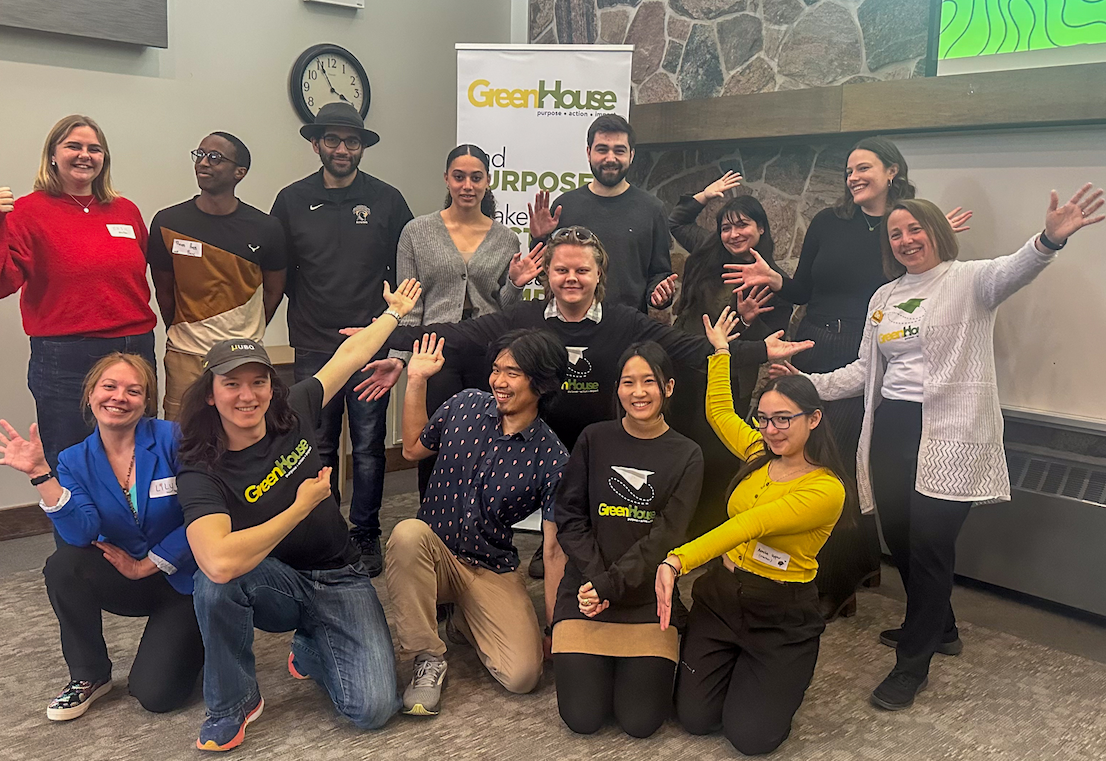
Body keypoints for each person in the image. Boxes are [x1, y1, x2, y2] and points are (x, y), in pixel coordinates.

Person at [379, 227, 813, 655]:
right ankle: (526, 610)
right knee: (554, 538)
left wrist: (756, 351)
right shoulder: (524, 317)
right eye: (561, 269)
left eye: (582, 270)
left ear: (598, 274)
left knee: (602, 532)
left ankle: (615, 602)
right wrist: (383, 334)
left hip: (599, 448)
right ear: (546, 273)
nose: (571, 278)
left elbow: (683, 346)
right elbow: (457, 335)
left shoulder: (623, 320)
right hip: (540, 447)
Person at [775, 184, 1106, 711]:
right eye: (896, 233)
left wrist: (1049, 239)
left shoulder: (969, 281)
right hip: (891, 430)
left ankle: (913, 662)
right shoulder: (883, 298)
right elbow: (866, 369)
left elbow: (1018, 267)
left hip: (948, 433)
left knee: (931, 546)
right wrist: (807, 384)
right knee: (903, 540)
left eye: (915, 228)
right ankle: (942, 627)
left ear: (937, 231)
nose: (906, 239)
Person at [723, 137, 972, 621]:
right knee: (807, 459)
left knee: (843, 473)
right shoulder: (827, 222)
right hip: (815, 346)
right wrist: (776, 281)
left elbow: (930, 283)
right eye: (849, 170)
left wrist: (936, 238)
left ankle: (841, 582)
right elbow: (804, 290)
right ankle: (828, 576)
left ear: (892, 171)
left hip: (872, 360)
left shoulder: (905, 228)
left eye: (864, 168)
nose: (853, 176)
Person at [178, 279, 422, 752]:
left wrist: (393, 315)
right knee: (214, 584)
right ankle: (233, 703)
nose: (247, 396)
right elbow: (219, 562)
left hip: (341, 575)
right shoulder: (201, 466)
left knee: (372, 710)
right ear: (210, 394)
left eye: (259, 381)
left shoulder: (294, 409)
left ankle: (311, 645)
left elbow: (349, 357)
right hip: (275, 581)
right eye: (231, 384)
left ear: (273, 385)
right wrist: (299, 508)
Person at [655, 308, 846, 755]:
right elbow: (720, 411)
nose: (771, 429)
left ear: (813, 419)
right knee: (695, 720)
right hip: (722, 599)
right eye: (764, 418)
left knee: (751, 739)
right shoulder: (760, 450)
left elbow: (750, 525)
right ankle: (732, 664)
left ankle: (771, 672)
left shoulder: (825, 489)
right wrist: (721, 352)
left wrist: (676, 560)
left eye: (784, 419)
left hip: (780, 615)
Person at [0, 353, 202, 721]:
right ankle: (89, 675)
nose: (119, 397)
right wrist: (41, 474)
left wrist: (149, 564)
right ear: (90, 395)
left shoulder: (173, 438)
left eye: (133, 390)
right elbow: (81, 533)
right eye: (109, 386)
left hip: (184, 580)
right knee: (64, 565)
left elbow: (203, 514)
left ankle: (204, 641)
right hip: (125, 576)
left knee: (156, 695)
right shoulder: (73, 459)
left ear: (146, 402)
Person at [0, 114, 156, 494]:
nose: (84, 155)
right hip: (66, 358)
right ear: (53, 155)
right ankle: (78, 551)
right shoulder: (25, 212)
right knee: (72, 461)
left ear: (104, 158)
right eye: (74, 146)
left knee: (140, 456)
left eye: (94, 148)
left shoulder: (126, 211)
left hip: (134, 348)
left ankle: (141, 549)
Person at [386, 329, 569, 716]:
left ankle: (462, 619)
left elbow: (553, 551)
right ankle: (427, 655)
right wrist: (416, 380)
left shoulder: (552, 458)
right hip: (432, 555)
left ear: (542, 382)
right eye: (496, 369)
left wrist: (555, 628)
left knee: (523, 676)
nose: (499, 382)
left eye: (513, 373)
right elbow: (412, 447)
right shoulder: (465, 405)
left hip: (490, 566)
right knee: (406, 534)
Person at [270, 102, 414, 576]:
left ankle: (366, 534)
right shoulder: (291, 200)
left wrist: (390, 333)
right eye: (332, 140)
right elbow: (280, 272)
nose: (342, 149)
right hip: (314, 342)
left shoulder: (388, 200)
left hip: (371, 342)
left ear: (361, 148)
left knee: (371, 445)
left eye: (351, 141)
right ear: (316, 144)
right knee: (318, 444)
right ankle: (325, 531)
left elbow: (405, 269)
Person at [369, 143, 544, 498]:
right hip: (436, 351)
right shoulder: (416, 232)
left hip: (489, 352)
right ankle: (432, 521)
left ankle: (483, 517)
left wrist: (515, 284)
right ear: (447, 179)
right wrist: (401, 358)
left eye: (476, 178)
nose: (467, 185)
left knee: (490, 436)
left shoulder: (505, 237)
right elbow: (409, 305)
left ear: (487, 182)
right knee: (435, 439)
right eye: (459, 177)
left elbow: (505, 308)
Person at [551, 342, 703, 738]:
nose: (638, 392)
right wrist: (597, 583)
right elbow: (569, 517)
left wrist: (609, 586)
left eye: (649, 382)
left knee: (640, 723)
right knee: (582, 719)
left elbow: (666, 536)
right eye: (628, 382)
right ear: (616, 389)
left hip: (646, 598)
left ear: (668, 387)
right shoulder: (593, 438)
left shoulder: (687, 454)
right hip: (584, 591)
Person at [668, 172, 791, 537]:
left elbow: (771, 343)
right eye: (727, 227)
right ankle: (674, 527)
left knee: (717, 455)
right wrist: (706, 194)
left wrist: (750, 322)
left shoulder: (774, 280)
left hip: (728, 380)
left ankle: (708, 533)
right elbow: (677, 220)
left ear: (762, 229)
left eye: (743, 225)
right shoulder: (708, 253)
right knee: (678, 447)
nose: (734, 234)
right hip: (682, 366)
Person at [148, 131, 286, 421]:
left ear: (240, 172)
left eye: (215, 158)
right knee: (181, 438)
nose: (203, 163)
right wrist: (185, 327)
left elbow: (274, 290)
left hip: (243, 355)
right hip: (185, 354)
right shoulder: (168, 222)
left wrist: (248, 328)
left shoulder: (266, 228)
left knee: (241, 437)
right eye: (199, 155)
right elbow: (163, 287)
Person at [527, 113, 675, 313]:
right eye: (602, 150)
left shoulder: (652, 209)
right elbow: (544, 274)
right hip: (568, 326)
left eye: (619, 150)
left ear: (631, 155)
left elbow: (659, 273)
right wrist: (539, 238)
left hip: (628, 329)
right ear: (588, 152)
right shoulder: (565, 205)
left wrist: (659, 294)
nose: (610, 158)